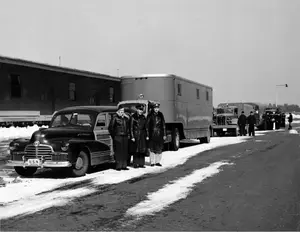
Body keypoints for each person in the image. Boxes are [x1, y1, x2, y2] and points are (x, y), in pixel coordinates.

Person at [108, 106, 130, 171]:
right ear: (118, 111)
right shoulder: (114, 117)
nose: (122, 113)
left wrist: (126, 116)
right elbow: (110, 128)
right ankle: (118, 166)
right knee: (118, 152)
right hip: (118, 136)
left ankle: (124, 165)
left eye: (123, 111)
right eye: (120, 111)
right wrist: (114, 136)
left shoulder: (125, 118)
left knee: (124, 151)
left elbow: (128, 124)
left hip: (124, 136)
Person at [146, 102, 166, 167]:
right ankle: (152, 162)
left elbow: (163, 125)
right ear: (153, 108)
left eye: (157, 108)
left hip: (159, 134)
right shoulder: (150, 115)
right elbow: (147, 126)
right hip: (152, 134)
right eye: (155, 108)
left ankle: (157, 162)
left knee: (159, 149)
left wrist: (164, 134)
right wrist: (147, 135)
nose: (156, 109)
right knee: (152, 149)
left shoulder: (161, 115)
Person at [129, 104, 147, 168]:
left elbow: (146, 127)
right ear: (137, 110)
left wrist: (146, 135)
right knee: (136, 150)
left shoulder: (143, 117)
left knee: (142, 149)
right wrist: (132, 136)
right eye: (139, 110)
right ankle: (135, 163)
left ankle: (141, 163)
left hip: (142, 135)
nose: (140, 111)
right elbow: (130, 128)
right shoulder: (133, 117)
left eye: (141, 110)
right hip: (136, 134)